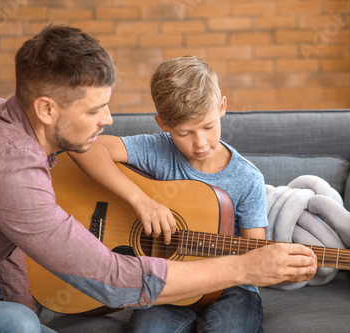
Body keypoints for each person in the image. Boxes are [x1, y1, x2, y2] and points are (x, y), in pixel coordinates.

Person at [0, 25, 317, 332]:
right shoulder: (10, 168)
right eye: (95, 109)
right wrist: (245, 266)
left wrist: (25, 304)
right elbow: (110, 279)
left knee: (22, 318)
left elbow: (4, 239)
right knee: (19, 324)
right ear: (46, 109)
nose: (109, 120)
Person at [68, 55, 270, 332]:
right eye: (184, 133)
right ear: (163, 123)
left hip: (231, 288)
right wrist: (141, 201)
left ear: (222, 106)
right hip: (168, 281)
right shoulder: (158, 150)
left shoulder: (248, 179)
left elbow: (255, 252)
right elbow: (84, 146)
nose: (200, 143)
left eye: (208, 127)